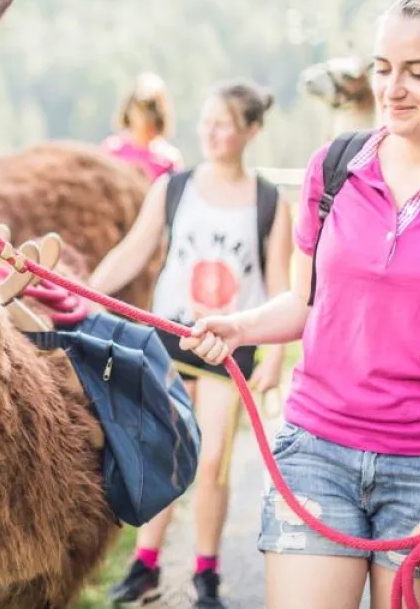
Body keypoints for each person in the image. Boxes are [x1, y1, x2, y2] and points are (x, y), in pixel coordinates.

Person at [181, 0, 420, 609]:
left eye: (418, 72)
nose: (393, 89)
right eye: (383, 69)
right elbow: (305, 301)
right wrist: (243, 326)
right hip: (317, 451)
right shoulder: (332, 168)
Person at [91, 81, 293, 608]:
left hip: (229, 347)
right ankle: (146, 564)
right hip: (170, 336)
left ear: (251, 131)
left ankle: (206, 571)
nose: (213, 132)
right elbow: (133, 251)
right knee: (162, 449)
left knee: (212, 461)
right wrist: (87, 292)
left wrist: (273, 356)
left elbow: (279, 285)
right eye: (207, 121)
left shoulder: (269, 201)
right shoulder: (174, 188)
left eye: (226, 124)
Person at [102, 71, 185, 182]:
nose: (145, 116)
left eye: (151, 108)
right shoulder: (112, 151)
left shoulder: (168, 160)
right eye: (140, 108)